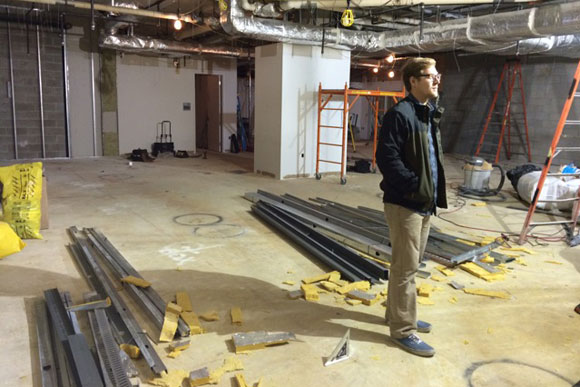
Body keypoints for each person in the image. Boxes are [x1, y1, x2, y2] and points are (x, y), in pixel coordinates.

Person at [376, 57, 447, 357]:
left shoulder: (427, 113)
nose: (436, 81)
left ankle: (397, 314)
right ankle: (404, 330)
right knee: (406, 269)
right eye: (430, 76)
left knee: (407, 266)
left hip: (424, 203)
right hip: (406, 204)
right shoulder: (400, 115)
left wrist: (427, 193)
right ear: (413, 81)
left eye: (437, 75)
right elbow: (387, 159)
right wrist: (414, 187)